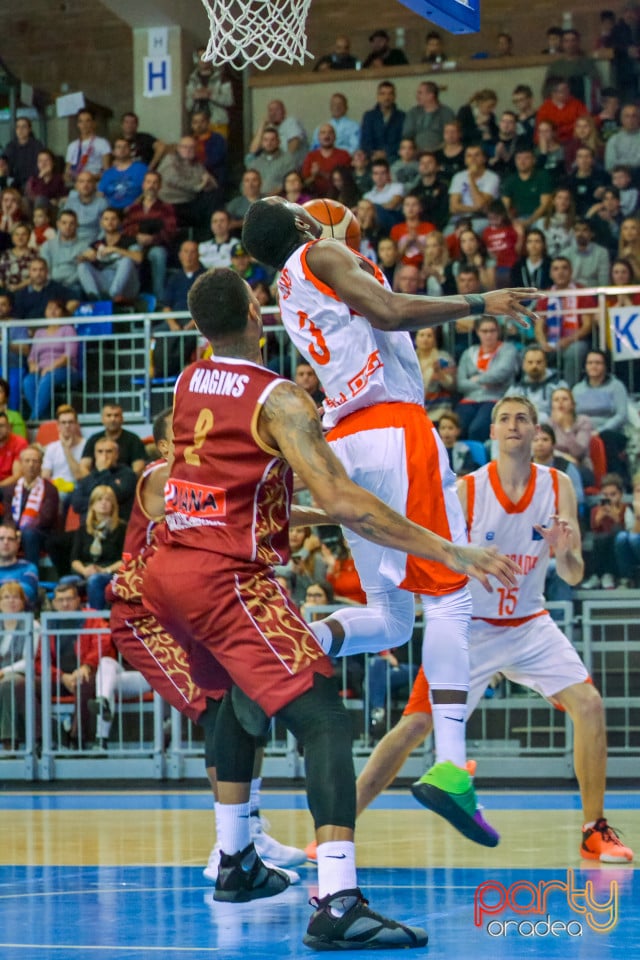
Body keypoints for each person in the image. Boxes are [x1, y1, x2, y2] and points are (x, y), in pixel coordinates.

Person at [141, 268, 522, 945]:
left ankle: (235, 861)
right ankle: (339, 901)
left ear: (203, 327)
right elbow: (348, 503)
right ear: (257, 313)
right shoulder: (281, 399)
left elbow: (195, 480)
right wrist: (446, 548)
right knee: (324, 720)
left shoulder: (187, 381)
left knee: (233, 700)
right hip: (227, 578)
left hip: (168, 570)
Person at [242, 197, 534, 848]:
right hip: (392, 429)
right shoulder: (320, 252)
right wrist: (481, 303)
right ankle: (452, 767)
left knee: (394, 618)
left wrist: (358, 245)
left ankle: (290, 649)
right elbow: (390, 310)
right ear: (298, 224)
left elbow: (367, 314)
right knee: (455, 590)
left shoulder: (290, 285)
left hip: (349, 441)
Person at [353, 395, 634, 864]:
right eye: (503, 418)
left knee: (589, 705)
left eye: (522, 418)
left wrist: (564, 551)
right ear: (492, 433)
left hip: (530, 624)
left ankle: (594, 830)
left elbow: (574, 575)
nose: (512, 425)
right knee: (415, 724)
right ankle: (337, 826)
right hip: (472, 627)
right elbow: (437, 558)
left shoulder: (559, 485)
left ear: (536, 432)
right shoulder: (466, 490)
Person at [106, 407, 306, 874]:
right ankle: (226, 848)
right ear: (164, 445)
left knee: (244, 702)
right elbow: (231, 510)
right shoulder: (160, 477)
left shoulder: (203, 478)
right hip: (145, 616)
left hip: (189, 612)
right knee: (215, 710)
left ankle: (249, 829)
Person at [35, 580, 112, 748]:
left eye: (69, 599)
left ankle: (77, 738)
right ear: (54, 603)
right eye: (60, 600)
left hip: (86, 673)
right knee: (25, 686)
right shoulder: (47, 623)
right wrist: (61, 677)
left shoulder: (92, 617)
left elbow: (103, 643)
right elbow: (40, 661)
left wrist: (86, 666)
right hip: (58, 677)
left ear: (78, 600)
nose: (65, 604)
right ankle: (43, 738)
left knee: (84, 682)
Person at [455, 315, 520, 441]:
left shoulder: (508, 349)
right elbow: (461, 384)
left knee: (477, 429)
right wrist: (486, 382)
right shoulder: (468, 353)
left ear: (498, 332)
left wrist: (476, 379)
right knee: (456, 429)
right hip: (469, 400)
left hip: (495, 398)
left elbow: (502, 373)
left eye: (492, 331)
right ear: (477, 332)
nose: (488, 335)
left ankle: (477, 460)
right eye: (484, 331)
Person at [534, 257, 596, 387]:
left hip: (575, 341)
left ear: (571, 271)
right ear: (551, 274)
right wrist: (543, 343)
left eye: (564, 268)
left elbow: (587, 326)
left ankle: (568, 391)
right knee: (532, 352)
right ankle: (535, 391)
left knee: (575, 351)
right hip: (550, 341)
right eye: (556, 269)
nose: (560, 272)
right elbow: (539, 326)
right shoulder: (545, 296)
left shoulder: (582, 292)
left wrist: (567, 340)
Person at [572, 349, 631, 483]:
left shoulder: (616, 386)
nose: (594, 366)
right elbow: (573, 415)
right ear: (585, 366)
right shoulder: (577, 389)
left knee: (607, 439)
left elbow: (621, 415)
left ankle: (614, 483)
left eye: (598, 363)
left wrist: (599, 431)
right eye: (590, 363)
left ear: (605, 366)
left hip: (611, 432)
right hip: (584, 431)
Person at [121, 171, 177, 303]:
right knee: (130, 251)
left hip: (157, 245)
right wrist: (138, 236)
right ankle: (131, 296)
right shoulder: (133, 209)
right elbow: (126, 228)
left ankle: (160, 299)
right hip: (136, 244)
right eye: (148, 182)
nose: (151, 185)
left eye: (155, 182)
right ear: (143, 185)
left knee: (158, 254)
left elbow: (171, 230)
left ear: (159, 186)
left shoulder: (166, 208)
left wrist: (153, 239)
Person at [22, 299, 81, 420]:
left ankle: (34, 419)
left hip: (65, 370)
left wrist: (51, 367)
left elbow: (70, 355)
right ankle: (44, 417)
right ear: (45, 312)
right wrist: (33, 366)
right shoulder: (39, 333)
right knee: (28, 381)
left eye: (56, 308)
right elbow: (32, 357)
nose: (53, 311)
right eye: (49, 308)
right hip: (42, 370)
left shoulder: (68, 330)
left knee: (49, 378)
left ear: (62, 312)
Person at [153, 240, 204, 377]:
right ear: (180, 255)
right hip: (175, 320)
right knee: (159, 333)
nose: (189, 256)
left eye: (193, 252)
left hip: (197, 320)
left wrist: (192, 323)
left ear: (199, 255)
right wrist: (172, 324)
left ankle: (176, 371)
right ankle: (159, 372)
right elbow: (165, 305)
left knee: (188, 336)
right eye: (186, 252)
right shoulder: (174, 278)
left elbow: (208, 305)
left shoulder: (206, 277)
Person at [2, 445, 59, 568]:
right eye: (27, 461)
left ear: (41, 465)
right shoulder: (10, 489)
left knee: (29, 534)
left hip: (41, 533)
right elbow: (7, 516)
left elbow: (45, 519)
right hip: (15, 531)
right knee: (4, 534)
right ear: (21, 464)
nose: (31, 465)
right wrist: (12, 531)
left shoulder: (50, 489)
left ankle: (31, 575)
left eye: (35, 461)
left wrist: (20, 532)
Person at [70, 485, 125, 609]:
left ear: (113, 505)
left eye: (107, 500)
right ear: (92, 505)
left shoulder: (121, 529)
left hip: (110, 572)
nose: (103, 503)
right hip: (86, 571)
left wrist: (105, 570)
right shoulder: (83, 529)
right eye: (99, 500)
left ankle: (96, 622)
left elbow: (125, 559)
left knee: (95, 580)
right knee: (66, 583)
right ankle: (71, 624)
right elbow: (74, 559)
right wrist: (84, 571)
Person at [77, 207, 142, 302]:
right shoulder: (97, 244)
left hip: (127, 286)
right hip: (106, 283)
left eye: (113, 219)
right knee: (82, 266)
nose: (110, 222)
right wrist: (86, 257)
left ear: (120, 222)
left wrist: (115, 249)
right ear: (101, 222)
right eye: (106, 219)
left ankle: (112, 296)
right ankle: (95, 298)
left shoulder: (129, 240)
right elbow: (80, 259)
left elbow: (139, 258)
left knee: (126, 260)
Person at [0, 581, 36, 751]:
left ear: (22, 602)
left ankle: (9, 741)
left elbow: (29, 660)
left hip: (21, 674)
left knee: (7, 684)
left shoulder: (32, 625)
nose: (11, 601)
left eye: (15, 597)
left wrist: (3, 671)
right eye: (6, 597)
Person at [582, 472, 632, 589]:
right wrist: (599, 519)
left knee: (615, 533)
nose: (608, 498)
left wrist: (616, 518)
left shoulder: (626, 509)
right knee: (601, 539)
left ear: (620, 495)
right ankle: (599, 575)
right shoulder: (596, 510)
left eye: (613, 494)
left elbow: (627, 531)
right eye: (605, 494)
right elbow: (594, 530)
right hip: (601, 546)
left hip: (619, 549)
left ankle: (606, 575)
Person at [447, 144, 500, 235]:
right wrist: (475, 208)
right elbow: (453, 207)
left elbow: (480, 203)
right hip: (458, 219)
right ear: (465, 160)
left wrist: (471, 178)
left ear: (484, 158)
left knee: (468, 235)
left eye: (477, 155)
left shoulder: (492, 177)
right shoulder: (458, 177)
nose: (473, 158)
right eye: (469, 156)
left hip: (481, 218)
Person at [504, 344, 567, 419]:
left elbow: (566, 413)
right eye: (530, 362)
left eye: (539, 362)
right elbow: (505, 411)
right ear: (524, 365)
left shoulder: (558, 385)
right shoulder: (515, 389)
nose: (534, 366)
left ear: (545, 363)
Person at [41, 404, 85, 509]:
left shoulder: (86, 445)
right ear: (58, 426)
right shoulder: (52, 447)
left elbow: (79, 476)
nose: (67, 426)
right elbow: (45, 476)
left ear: (77, 425)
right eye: (63, 423)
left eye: (70, 422)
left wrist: (66, 449)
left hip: (77, 489)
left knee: (61, 496)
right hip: (56, 487)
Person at [185, 50, 234, 139]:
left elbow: (229, 101)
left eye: (206, 56)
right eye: (200, 57)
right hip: (199, 124)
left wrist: (210, 95)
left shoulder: (222, 78)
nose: (204, 60)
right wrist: (194, 97)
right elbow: (188, 106)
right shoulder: (192, 80)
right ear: (196, 60)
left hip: (218, 122)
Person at [413, 325, 455, 421]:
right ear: (415, 339)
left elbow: (451, 385)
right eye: (422, 335)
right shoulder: (409, 359)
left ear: (435, 340)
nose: (425, 339)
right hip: (415, 411)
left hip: (440, 412)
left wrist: (439, 372)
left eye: (429, 336)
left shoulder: (444, 359)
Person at [401, 82, 455, 154]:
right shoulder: (413, 113)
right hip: (416, 154)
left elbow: (452, 136)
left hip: (441, 153)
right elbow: (407, 135)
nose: (417, 96)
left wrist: (437, 150)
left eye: (420, 93)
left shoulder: (447, 113)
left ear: (431, 95)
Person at [360, 81, 405, 164]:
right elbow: (365, 141)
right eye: (383, 94)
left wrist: (386, 152)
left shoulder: (402, 116)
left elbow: (402, 140)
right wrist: (374, 153)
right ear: (377, 96)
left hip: (395, 157)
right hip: (372, 158)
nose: (386, 97)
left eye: (390, 94)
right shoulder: (369, 116)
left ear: (394, 96)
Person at [301, 125, 352, 198]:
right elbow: (304, 184)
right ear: (318, 137)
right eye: (323, 133)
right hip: (315, 196)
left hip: (339, 196)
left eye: (330, 133)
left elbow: (348, 181)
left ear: (335, 137)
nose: (326, 135)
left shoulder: (344, 155)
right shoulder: (311, 156)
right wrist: (314, 176)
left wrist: (321, 173)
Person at [97, 138, 147, 210]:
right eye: (119, 147)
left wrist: (136, 204)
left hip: (136, 209)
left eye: (125, 147)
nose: (122, 149)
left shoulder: (141, 168)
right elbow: (100, 194)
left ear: (130, 150)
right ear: (113, 152)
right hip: (112, 212)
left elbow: (149, 189)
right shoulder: (108, 173)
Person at [64, 109, 111, 186]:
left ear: (93, 123)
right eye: (81, 121)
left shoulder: (102, 143)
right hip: (76, 185)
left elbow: (107, 171)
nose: (84, 124)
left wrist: (90, 178)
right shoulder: (72, 146)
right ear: (78, 125)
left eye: (87, 121)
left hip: (95, 184)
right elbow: (66, 172)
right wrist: (70, 177)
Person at [535, 79, 589, 145]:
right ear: (553, 93)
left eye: (567, 89)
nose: (567, 92)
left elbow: (588, 121)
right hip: (554, 144)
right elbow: (540, 133)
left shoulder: (576, 104)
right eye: (563, 91)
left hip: (576, 141)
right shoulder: (544, 109)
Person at [243, 127, 291, 197]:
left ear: (278, 141)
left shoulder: (287, 160)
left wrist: (269, 197)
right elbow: (245, 184)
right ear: (262, 142)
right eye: (266, 140)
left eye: (272, 140)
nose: (269, 143)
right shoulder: (255, 162)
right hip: (255, 200)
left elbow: (288, 183)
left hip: (278, 199)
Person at [63, 171, 108, 246]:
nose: (85, 185)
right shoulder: (70, 203)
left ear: (94, 185)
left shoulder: (102, 203)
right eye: (81, 182)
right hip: (71, 242)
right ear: (76, 185)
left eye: (89, 181)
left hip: (92, 243)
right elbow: (62, 226)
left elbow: (104, 230)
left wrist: (95, 246)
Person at [0, 521, 38, 607]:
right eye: (1, 539)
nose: (6, 542)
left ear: (17, 543)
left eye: (10, 539)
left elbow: (21, 596)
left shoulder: (29, 568)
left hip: (22, 619)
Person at [3, 118, 45, 191]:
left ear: (29, 129)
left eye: (24, 127)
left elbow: (40, 166)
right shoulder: (10, 146)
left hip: (33, 181)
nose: (20, 130)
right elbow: (6, 165)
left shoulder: (37, 145)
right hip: (14, 182)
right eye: (18, 127)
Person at [614, 470, 640, 587]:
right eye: (637, 491)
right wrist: (638, 516)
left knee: (634, 539)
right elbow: (634, 532)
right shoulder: (630, 508)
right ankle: (627, 579)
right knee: (622, 537)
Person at [0, 223, 36, 293]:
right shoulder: (5, 254)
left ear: (29, 236)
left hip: (28, 292)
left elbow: (37, 276)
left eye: (24, 234)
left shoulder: (35, 255)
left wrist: (18, 287)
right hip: (6, 293)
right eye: (16, 234)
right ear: (12, 237)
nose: (20, 237)